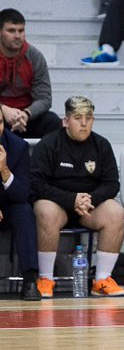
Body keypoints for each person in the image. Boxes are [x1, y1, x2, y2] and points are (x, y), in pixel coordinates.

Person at [32, 96, 124, 298]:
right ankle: (46, 279)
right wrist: (70, 199)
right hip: (58, 204)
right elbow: (37, 185)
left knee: (116, 212)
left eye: (88, 118)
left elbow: (112, 184)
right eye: (77, 118)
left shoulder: (101, 145)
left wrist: (88, 200)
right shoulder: (49, 144)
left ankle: (102, 280)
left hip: (89, 207)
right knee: (45, 210)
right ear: (65, 120)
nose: (84, 123)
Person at [0, 9, 62, 139]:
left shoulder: (34, 57)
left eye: (21, 30)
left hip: (26, 119)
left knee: (53, 121)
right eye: (11, 30)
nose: (17, 35)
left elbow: (44, 98)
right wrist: (3, 110)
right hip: (1, 116)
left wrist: (26, 114)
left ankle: (44, 159)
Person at [0, 117, 40, 301]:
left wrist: (5, 171)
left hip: (8, 205)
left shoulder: (18, 147)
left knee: (24, 211)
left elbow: (24, 193)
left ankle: (30, 280)